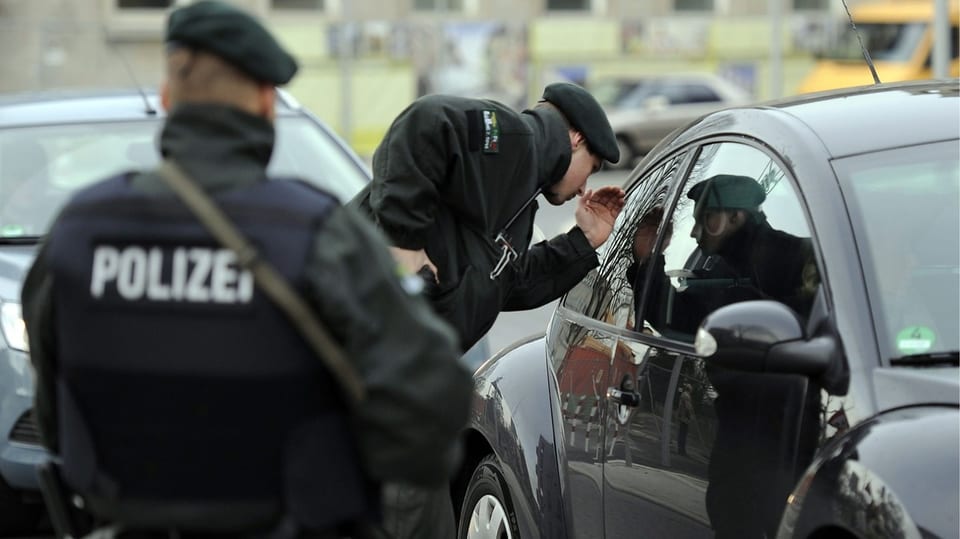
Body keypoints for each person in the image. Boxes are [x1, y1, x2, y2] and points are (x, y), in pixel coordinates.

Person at [20, 2, 472, 537]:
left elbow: (52, 417)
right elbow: (432, 403)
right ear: (265, 103)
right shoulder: (317, 232)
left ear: (168, 101)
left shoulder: (77, 233)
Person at [349, 81, 625, 537]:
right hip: (361, 347)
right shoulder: (517, 139)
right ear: (574, 139)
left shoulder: (519, 203)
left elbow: (510, 284)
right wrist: (403, 242)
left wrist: (583, 242)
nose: (586, 185)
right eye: (591, 168)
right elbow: (422, 124)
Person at [629, 174, 819, 539]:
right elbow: (677, 319)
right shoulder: (718, 265)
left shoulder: (795, 256)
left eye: (706, 220)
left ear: (736, 218)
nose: (696, 233)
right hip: (739, 424)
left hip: (783, 428)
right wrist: (649, 258)